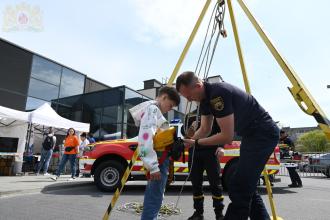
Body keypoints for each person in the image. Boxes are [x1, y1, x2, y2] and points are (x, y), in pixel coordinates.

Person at [176, 71, 280, 220]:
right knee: (245, 186)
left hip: (263, 133)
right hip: (252, 135)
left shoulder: (218, 94)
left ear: (198, 86)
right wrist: (185, 143)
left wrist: (196, 143)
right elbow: (204, 129)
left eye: (188, 95)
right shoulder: (205, 101)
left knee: (239, 186)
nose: (189, 100)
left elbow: (227, 136)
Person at [129, 86, 180, 220]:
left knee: (156, 196)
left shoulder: (154, 111)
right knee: (154, 197)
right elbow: (145, 139)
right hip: (158, 159)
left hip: (159, 158)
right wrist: (153, 166)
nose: (170, 109)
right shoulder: (152, 110)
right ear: (163, 97)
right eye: (170, 105)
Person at [183, 111, 225, 220]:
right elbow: (187, 136)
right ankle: (198, 213)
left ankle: (219, 214)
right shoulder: (190, 115)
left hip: (211, 151)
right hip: (194, 153)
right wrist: (192, 128)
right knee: (196, 183)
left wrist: (221, 146)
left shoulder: (212, 113)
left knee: (215, 184)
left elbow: (222, 131)